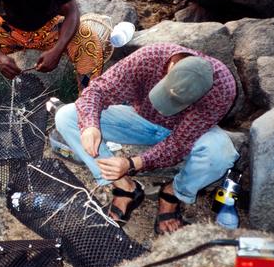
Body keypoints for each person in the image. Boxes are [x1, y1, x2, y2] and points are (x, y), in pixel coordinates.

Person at [55, 43, 239, 234]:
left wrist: (133, 163)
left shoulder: (222, 87)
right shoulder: (149, 57)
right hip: (140, 120)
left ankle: (172, 193)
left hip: (186, 131)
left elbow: (179, 143)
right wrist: (90, 125)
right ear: (171, 65)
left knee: (221, 154)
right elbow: (97, 91)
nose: (164, 108)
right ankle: (125, 187)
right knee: (67, 116)